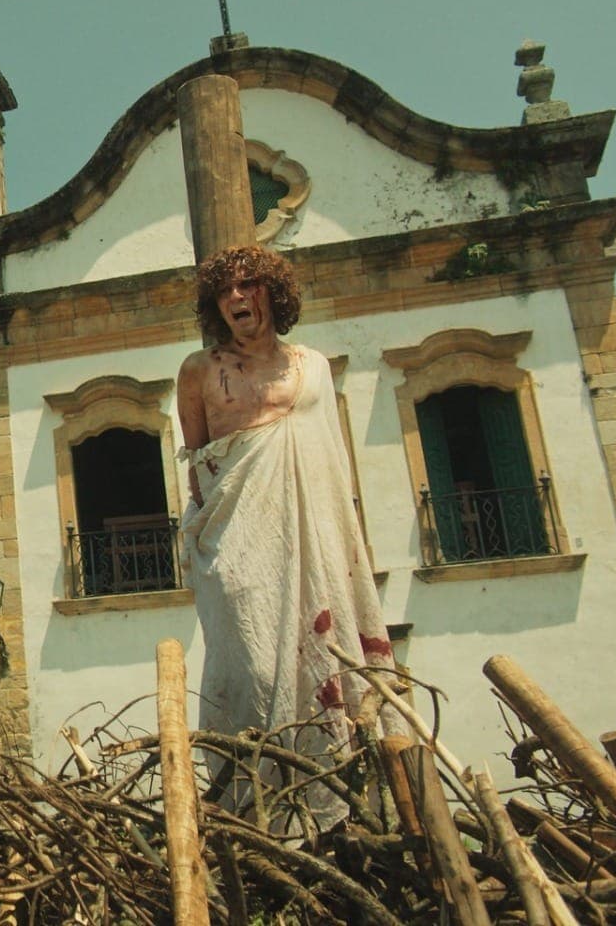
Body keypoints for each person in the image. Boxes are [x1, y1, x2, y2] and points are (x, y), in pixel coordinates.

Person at [175, 246, 399, 815]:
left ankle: (336, 802)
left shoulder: (313, 367)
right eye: (224, 290)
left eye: (249, 285)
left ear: (273, 293)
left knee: (324, 654)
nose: (236, 298)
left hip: (315, 538)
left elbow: (329, 459)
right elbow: (201, 463)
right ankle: (255, 803)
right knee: (252, 662)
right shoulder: (200, 371)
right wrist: (205, 541)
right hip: (237, 537)